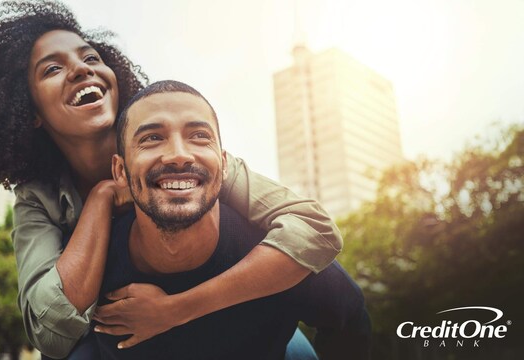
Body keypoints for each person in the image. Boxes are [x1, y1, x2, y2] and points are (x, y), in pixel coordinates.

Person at [0, 1, 342, 358]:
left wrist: (178, 308)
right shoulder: (37, 200)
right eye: (53, 68)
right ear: (29, 111)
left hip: (242, 325)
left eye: (91, 58)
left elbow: (314, 230)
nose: (80, 70)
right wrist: (102, 198)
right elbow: (50, 330)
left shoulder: (184, 156)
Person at [93, 80, 371, 359]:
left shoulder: (281, 257)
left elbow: (349, 318)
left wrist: (174, 309)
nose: (179, 154)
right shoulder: (97, 265)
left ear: (225, 164)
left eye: (199, 136)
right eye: (152, 137)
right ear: (120, 171)